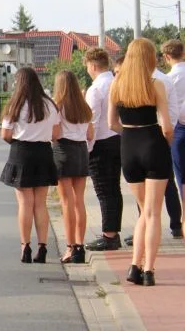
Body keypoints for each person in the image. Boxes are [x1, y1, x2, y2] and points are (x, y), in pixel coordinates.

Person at [110, 38, 175, 286]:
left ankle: (134, 266)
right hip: (152, 142)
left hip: (129, 145)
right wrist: (164, 142)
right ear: (149, 58)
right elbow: (167, 126)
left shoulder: (117, 85)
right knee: (152, 213)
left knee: (142, 213)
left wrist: (128, 132)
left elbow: (110, 123)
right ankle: (148, 270)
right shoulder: (155, 84)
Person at [0, 67, 60, 264]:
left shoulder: (14, 106)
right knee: (40, 203)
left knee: (25, 203)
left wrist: (21, 138)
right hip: (43, 152)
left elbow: (5, 135)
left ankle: (25, 246)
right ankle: (43, 247)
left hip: (21, 153)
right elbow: (56, 135)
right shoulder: (50, 105)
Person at [83, 48, 123, 251]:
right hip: (118, 139)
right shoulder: (117, 82)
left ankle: (109, 235)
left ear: (92, 65)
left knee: (103, 189)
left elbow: (93, 121)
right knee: (114, 188)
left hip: (100, 143)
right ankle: (114, 230)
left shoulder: (96, 89)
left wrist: (88, 149)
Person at [51, 70, 94, 264]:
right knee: (79, 201)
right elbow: (91, 135)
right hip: (81, 152)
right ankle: (79, 246)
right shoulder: (84, 107)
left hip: (63, 151)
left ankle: (69, 247)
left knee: (66, 202)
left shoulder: (58, 106)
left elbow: (56, 133)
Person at [163, 39, 185, 227]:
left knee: (181, 175)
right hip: (179, 127)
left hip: (179, 128)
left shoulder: (168, 79)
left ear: (166, 57)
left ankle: (182, 217)